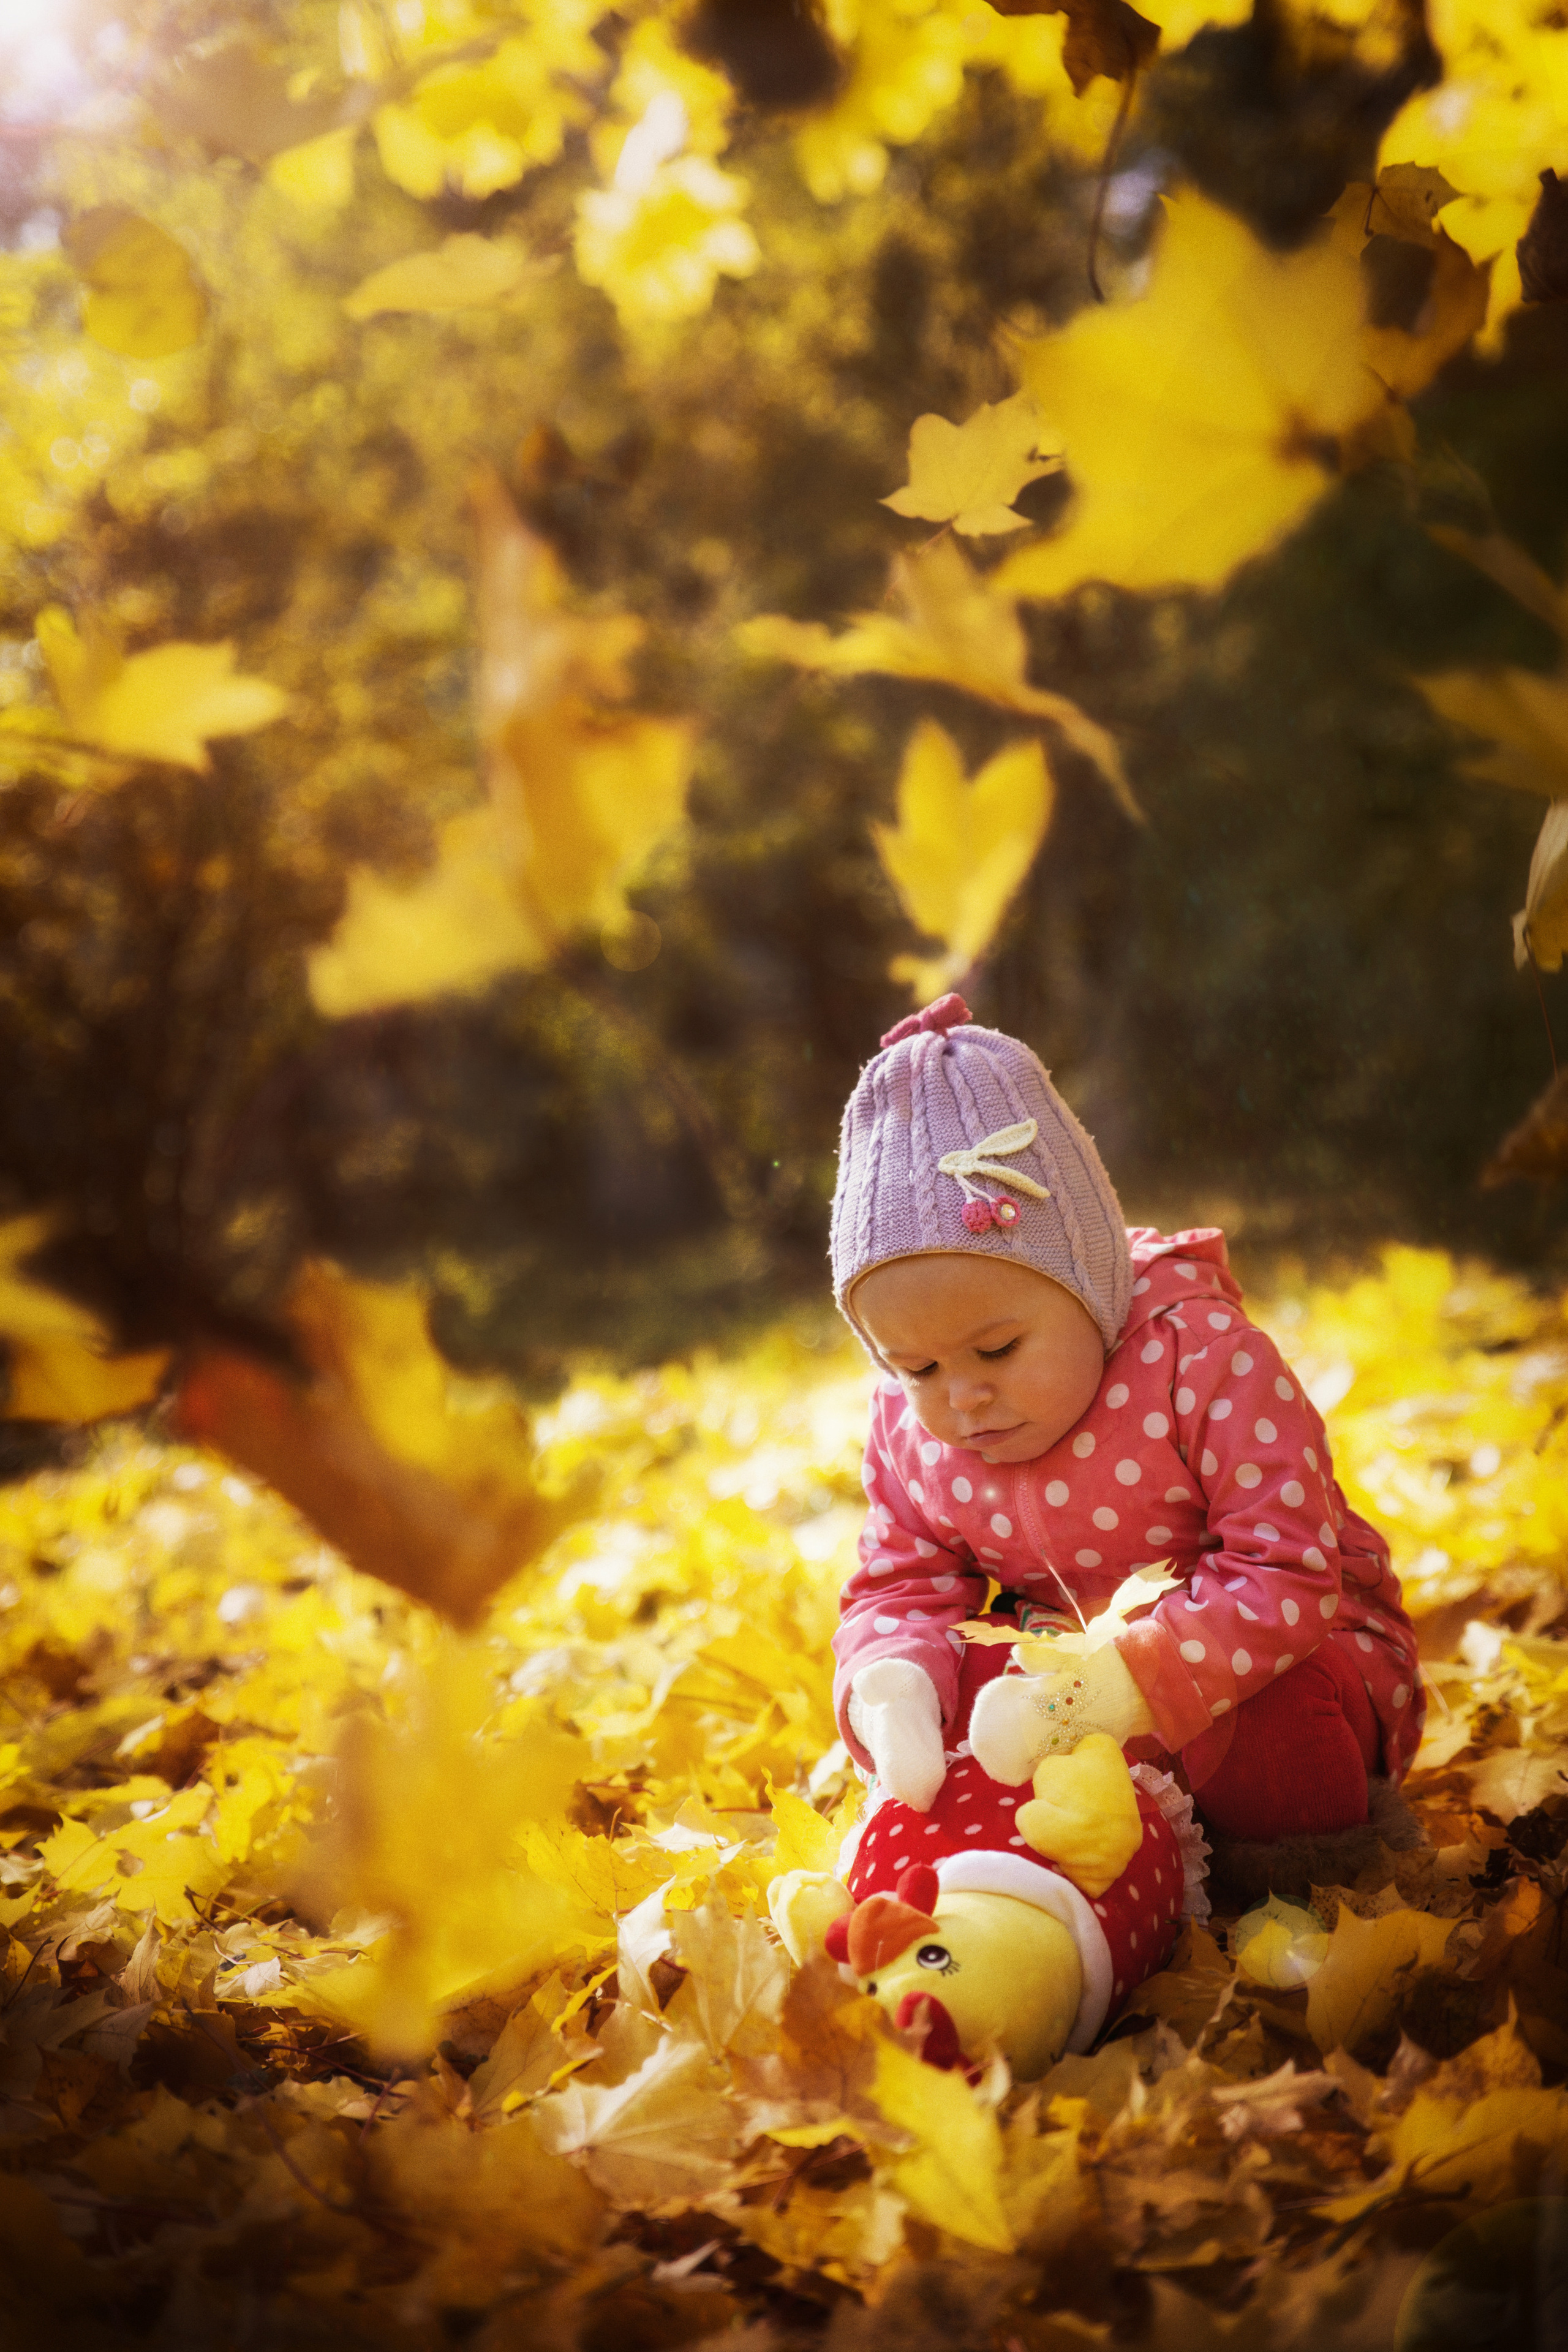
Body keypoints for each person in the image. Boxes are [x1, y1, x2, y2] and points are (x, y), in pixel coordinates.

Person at [829, 992, 1425, 1888]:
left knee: (1272, 1716)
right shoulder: (913, 1433)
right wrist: (895, 1684)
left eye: (997, 1348)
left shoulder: (1199, 1357)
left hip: (1271, 1658)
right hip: (1058, 1693)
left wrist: (1126, 1684)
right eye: (914, 1368)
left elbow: (1289, 1573)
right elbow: (902, 1584)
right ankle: (1043, 1886)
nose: (962, 1396)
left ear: (1091, 1283)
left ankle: (1298, 1881)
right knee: (960, 1708)